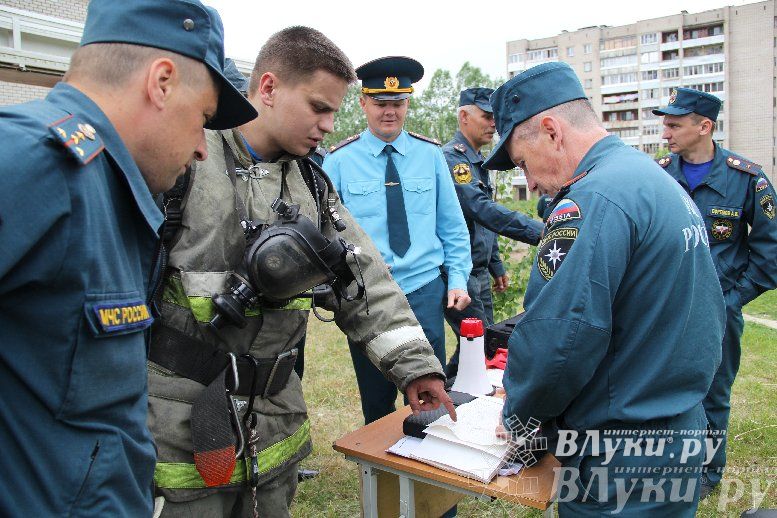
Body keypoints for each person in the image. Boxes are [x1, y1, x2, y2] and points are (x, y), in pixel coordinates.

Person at [148, 28, 455, 518]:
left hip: (275, 425)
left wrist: (415, 366)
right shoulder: (185, 161)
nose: (330, 125)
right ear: (268, 88)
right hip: (181, 426)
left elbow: (363, 280)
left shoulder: (312, 185)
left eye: (335, 112)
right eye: (318, 107)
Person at [0, 1, 255, 516]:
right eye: (203, 118)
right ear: (161, 82)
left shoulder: (104, 185)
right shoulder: (31, 163)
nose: (203, 148)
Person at [488, 63, 724, 516]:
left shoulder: (591, 200)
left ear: (552, 131)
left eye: (522, 163)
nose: (530, 183)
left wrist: (519, 416)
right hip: (677, 430)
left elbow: (561, 338)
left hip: (620, 451)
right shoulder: (650, 179)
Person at [323, 56, 472, 424]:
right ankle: (381, 475)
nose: (389, 112)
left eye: (398, 103)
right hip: (369, 296)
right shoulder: (339, 162)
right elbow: (325, 234)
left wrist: (456, 279)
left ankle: (426, 468)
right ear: (362, 103)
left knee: (429, 395)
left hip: (423, 288)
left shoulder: (430, 155)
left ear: (407, 103)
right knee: (376, 401)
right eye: (380, 103)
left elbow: (452, 226)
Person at [653, 87, 777, 498]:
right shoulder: (657, 174)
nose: (665, 132)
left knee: (713, 393)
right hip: (663, 309)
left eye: (674, 124)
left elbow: (770, 252)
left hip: (718, 310)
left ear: (704, 127)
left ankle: (708, 473)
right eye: (665, 123)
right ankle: (667, 460)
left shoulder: (746, 179)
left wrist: (733, 299)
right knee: (659, 387)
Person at [441, 87, 544, 376]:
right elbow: (480, 208)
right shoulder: (454, 159)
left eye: (494, 118)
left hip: (479, 270)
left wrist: (496, 263)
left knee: (480, 340)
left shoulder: (477, 161)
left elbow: (484, 220)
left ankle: (454, 388)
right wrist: (542, 231)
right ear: (464, 116)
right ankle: (448, 389)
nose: (493, 124)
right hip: (459, 271)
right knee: (480, 340)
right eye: (486, 117)